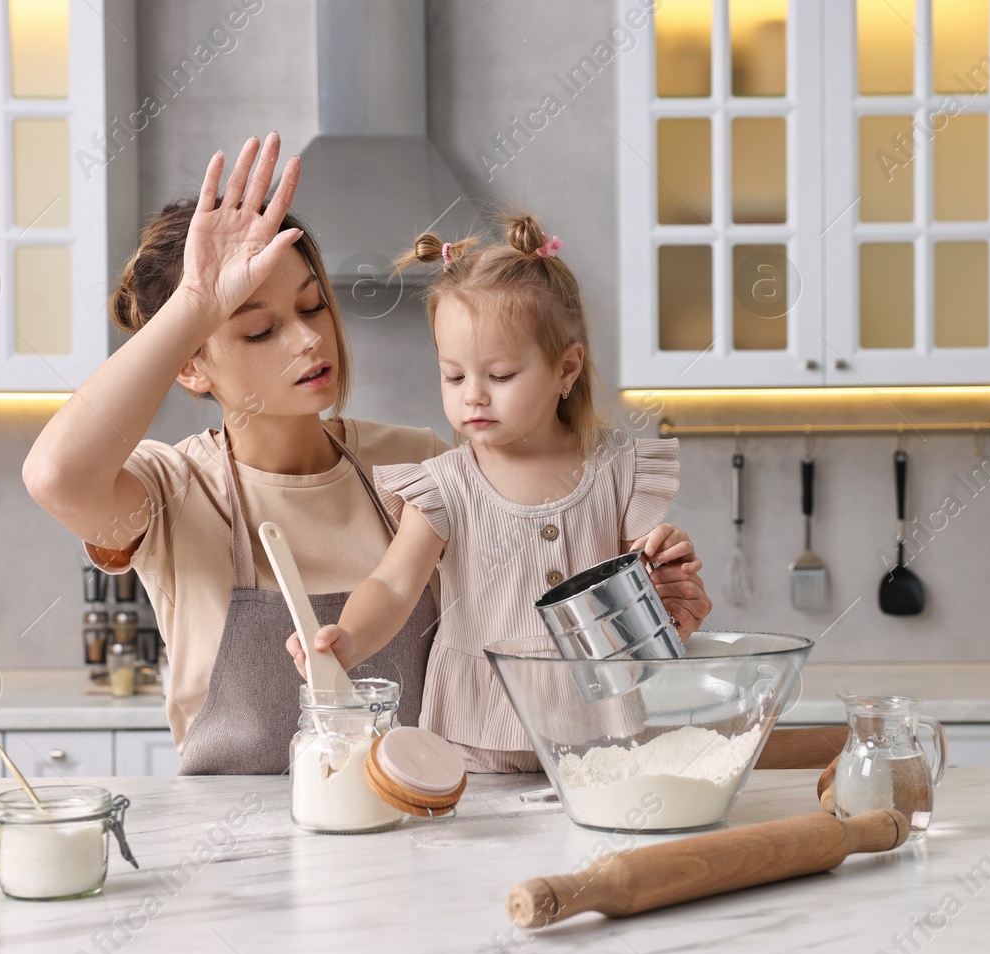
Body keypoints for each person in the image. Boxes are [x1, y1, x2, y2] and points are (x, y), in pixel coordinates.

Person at [23, 133, 713, 774]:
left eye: (314, 305)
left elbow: (532, 625)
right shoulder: (171, 491)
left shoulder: (415, 462)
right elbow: (55, 475)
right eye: (258, 329)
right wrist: (198, 302)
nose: (307, 341)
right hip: (235, 862)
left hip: (411, 833)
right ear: (191, 366)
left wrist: (645, 607)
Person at [289, 214, 701, 773]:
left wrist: (670, 570)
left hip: (602, 736)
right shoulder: (445, 484)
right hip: (473, 737)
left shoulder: (619, 468)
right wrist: (349, 639)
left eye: (501, 376)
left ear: (566, 368)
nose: (473, 398)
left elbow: (645, 587)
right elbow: (392, 582)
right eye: (454, 377)